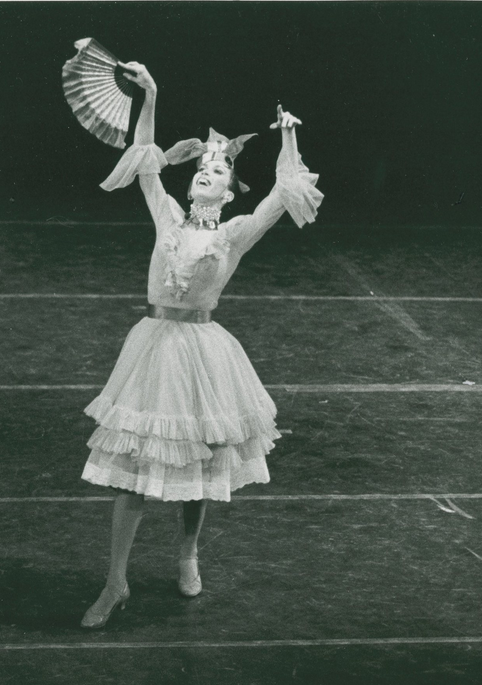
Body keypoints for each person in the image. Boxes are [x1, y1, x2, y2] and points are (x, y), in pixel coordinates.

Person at [79, 62, 323, 629]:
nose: (208, 171)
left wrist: (287, 135)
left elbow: (283, 198)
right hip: (153, 348)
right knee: (135, 465)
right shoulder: (166, 214)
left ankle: (188, 553)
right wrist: (153, 96)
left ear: (232, 186)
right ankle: (116, 581)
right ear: (190, 178)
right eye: (204, 166)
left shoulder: (233, 233)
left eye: (220, 168)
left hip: (203, 351)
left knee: (199, 457)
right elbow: (144, 159)